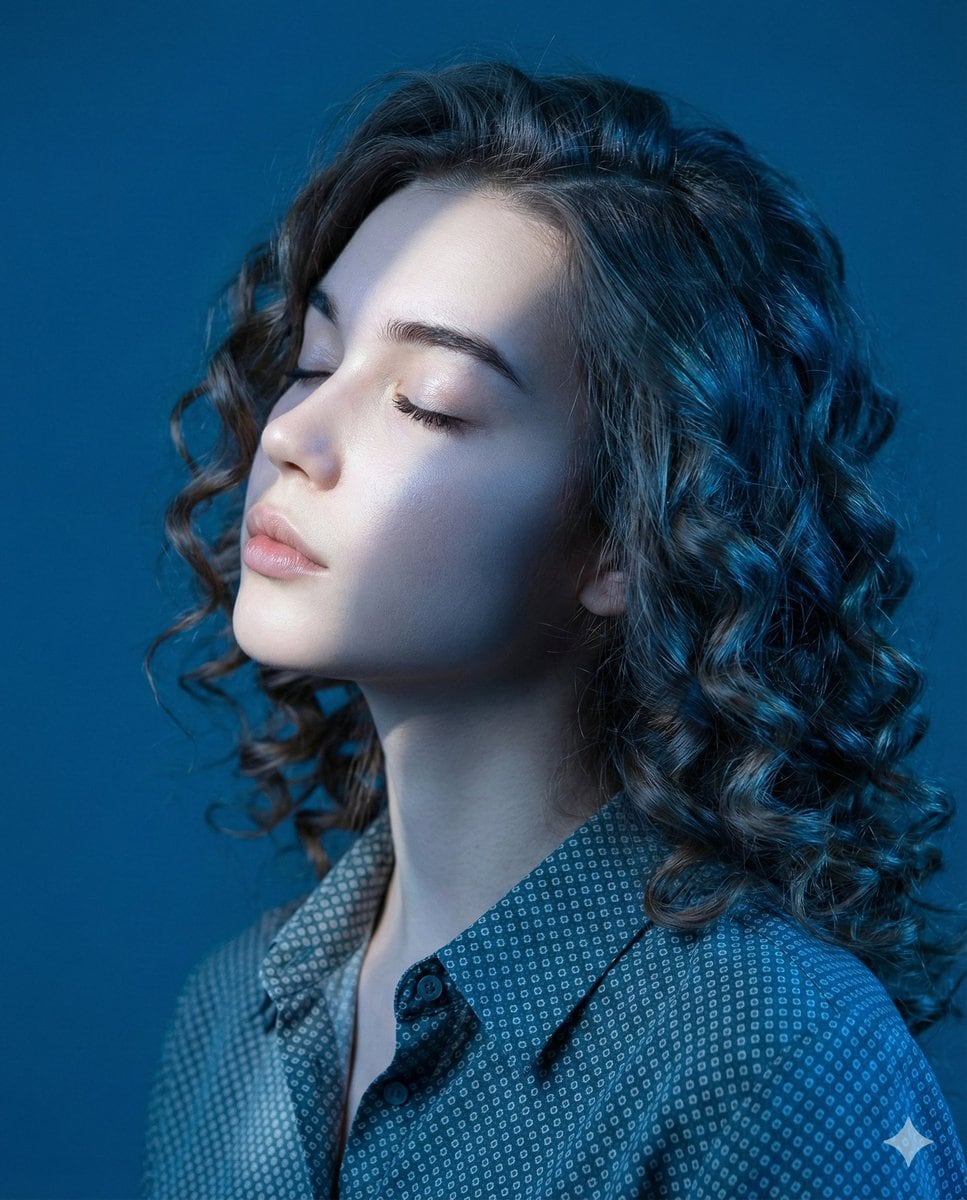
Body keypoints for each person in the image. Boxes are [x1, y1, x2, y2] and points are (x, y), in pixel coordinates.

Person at [140, 60, 967, 1199]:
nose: (294, 436)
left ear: (631, 538)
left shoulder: (769, 1053)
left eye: (428, 401)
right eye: (316, 362)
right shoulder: (230, 1012)